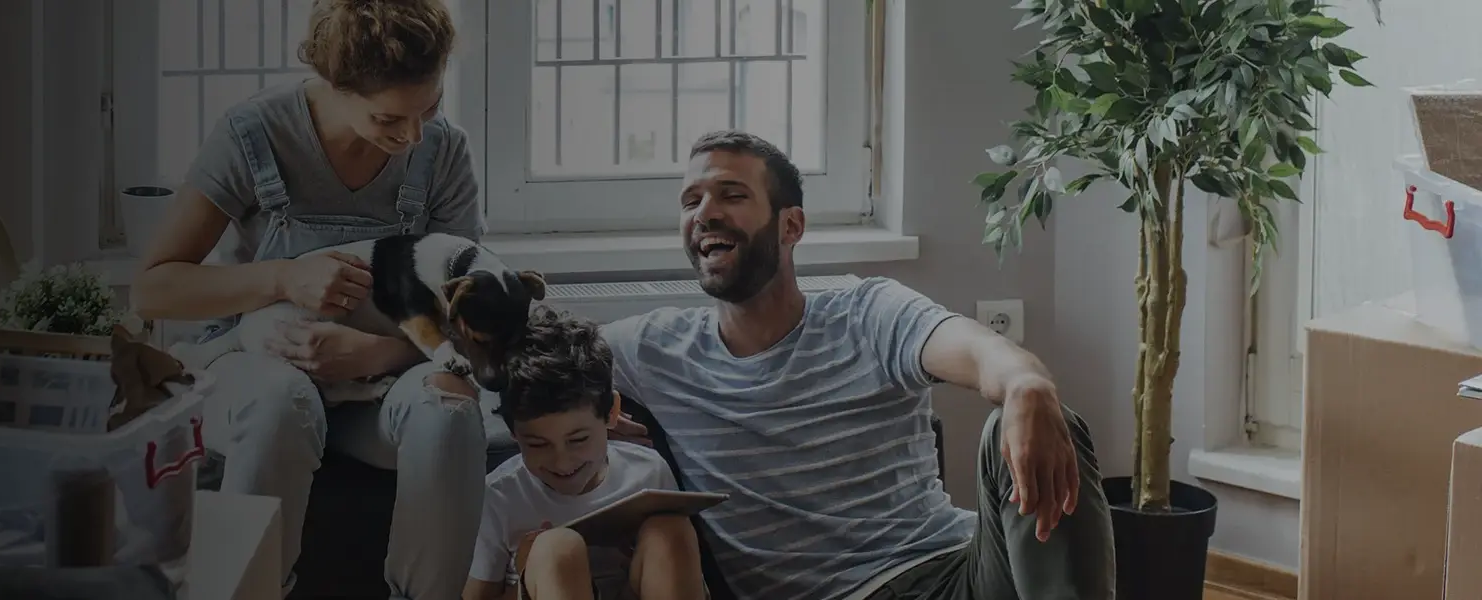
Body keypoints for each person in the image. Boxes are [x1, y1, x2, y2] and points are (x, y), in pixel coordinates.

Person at [597, 131, 1115, 600]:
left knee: (1039, 418)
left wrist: (1026, 384)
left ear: (791, 225)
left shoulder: (867, 312)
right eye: (691, 201)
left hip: (958, 572)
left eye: (731, 195)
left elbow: (979, 352)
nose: (704, 214)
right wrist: (593, 412)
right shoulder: (653, 350)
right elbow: (527, 354)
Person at [130, 0, 487, 597]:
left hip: (380, 384)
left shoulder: (442, 150)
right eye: (389, 120)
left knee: (449, 415)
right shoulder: (255, 132)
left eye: (429, 107)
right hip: (253, 363)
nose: (414, 136)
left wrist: (376, 354)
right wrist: (282, 278)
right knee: (279, 405)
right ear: (334, 85)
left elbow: (467, 317)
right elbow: (154, 288)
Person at [461, 306, 707, 600]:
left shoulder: (648, 471)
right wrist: (522, 575)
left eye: (578, 440)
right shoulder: (499, 497)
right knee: (557, 548)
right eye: (537, 444)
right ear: (514, 433)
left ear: (612, 413)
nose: (561, 462)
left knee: (670, 530)